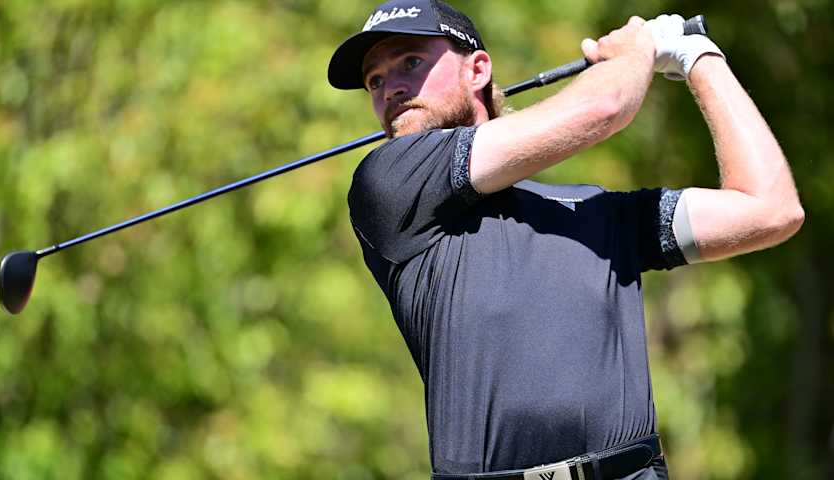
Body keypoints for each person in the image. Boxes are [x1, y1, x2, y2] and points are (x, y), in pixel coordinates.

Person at [327, 1, 804, 478]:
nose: (391, 88)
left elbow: (771, 209)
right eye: (375, 81)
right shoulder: (387, 183)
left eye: (411, 62)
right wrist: (636, 51)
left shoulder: (595, 211)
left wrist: (698, 57)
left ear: (477, 70)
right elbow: (605, 106)